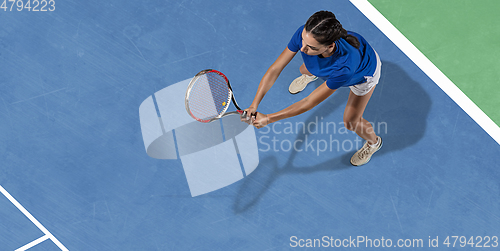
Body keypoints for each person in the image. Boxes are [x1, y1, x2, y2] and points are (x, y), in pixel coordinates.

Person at [244, 10, 383, 166]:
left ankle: (374, 143)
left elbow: (309, 101)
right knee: (304, 69)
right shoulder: (306, 35)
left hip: (363, 75)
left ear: (330, 46)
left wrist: (269, 119)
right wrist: (254, 104)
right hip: (330, 64)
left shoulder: (345, 67)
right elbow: (276, 69)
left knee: (351, 122)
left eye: (311, 47)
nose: (302, 48)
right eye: (303, 40)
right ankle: (311, 74)